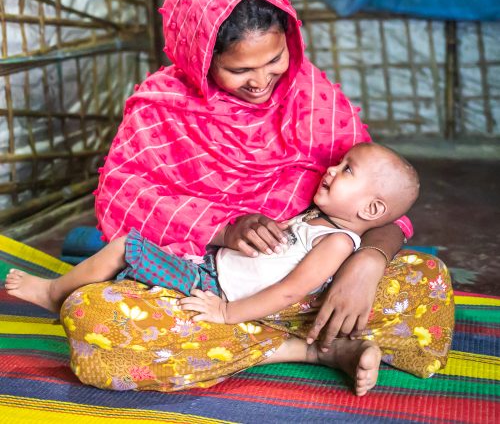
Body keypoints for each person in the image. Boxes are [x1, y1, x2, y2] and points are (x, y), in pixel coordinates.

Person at [33, 0, 453, 395]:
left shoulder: (314, 100)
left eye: (274, 59)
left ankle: (248, 341)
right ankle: (313, 349)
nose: (260, 82)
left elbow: (381, 202)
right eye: (239, 69)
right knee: (92, 315)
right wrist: (223, 228)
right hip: (210, 283)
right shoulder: (162, 109)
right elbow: (127, 195)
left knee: (429, 280)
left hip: (312, 292)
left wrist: (368, 263)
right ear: (201, 59)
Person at [6, 142, 419, 329]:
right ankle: (78, 289)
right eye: (340, 162)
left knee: (126, 248)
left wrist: (226, 314)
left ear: (371, 210)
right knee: (130, 265)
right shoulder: (319, 220)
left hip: (214, 287)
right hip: (208, 268)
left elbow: (292, 290)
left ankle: (54, 292)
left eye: (346, 170)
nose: (330, 169)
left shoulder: (336, 243)